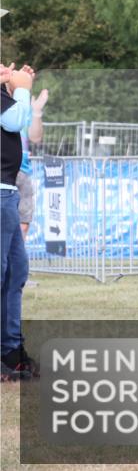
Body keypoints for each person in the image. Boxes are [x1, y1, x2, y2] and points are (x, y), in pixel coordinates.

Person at [1, 55, 39, 381]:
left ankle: (10, 351)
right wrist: (23, 90)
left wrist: (16, 88)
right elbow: (15, 122)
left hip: (7, 193)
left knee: (15, 271)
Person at [17, 88, 47, 239]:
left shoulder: (24, 109)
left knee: (24, 219)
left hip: (21, 171)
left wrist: (36, 112)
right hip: (4, 172)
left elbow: (35, 137)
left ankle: (15, 257)